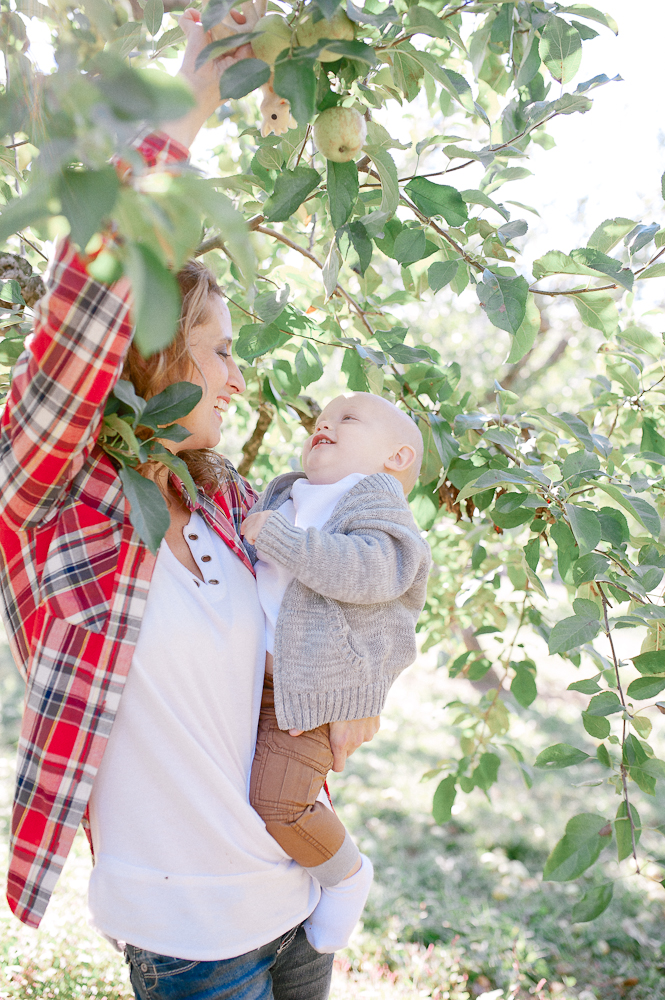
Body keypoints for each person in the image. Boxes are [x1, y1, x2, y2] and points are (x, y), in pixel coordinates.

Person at [0, 9, 380, 999]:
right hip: (190, 947)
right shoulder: (50, 502)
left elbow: (327, 626)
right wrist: (187, 103)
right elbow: (86, 302)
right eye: (215, 349)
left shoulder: (233, 509)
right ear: (153, 349)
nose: (234, 376)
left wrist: (351, 705)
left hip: (297, 900)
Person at [242, 393, 431, 954]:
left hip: (310, 696)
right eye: (322, 418)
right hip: (250, 680)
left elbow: (372, 571)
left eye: (348, 419)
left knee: (279, 803)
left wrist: (280, 539)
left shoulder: (375, 497)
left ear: (395, 457)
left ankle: (347, 876)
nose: (325, 423)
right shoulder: (284, 490)